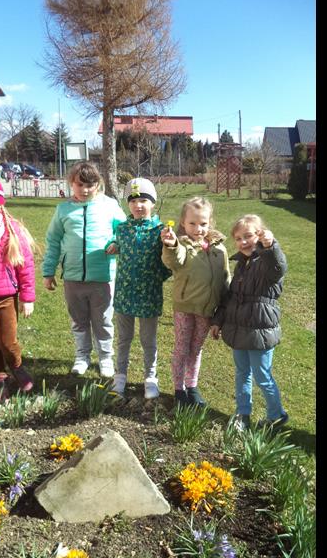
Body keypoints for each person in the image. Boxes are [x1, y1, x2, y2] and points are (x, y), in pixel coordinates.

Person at [42, 161, 127, 377]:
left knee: (103, 320)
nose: (85, 190)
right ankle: (82, 356)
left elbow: (124, 230)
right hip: (73, 278)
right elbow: (53, 241)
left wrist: (117, 243)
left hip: (102, 277)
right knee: (78, 320)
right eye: (80, 184)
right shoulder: (63, 210)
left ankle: (105, 357)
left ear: (98, 184)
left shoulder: (109, 206)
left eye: (90, 185)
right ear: (71, 183)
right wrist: (48, 272)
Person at [210, 214, 289, 430]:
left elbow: (278, 267)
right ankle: (242, 413)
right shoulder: (241, 265)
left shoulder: (266, 262)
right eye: (238, 238)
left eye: (248, 236)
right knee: (242, 373)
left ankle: (276, 415)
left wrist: (270, 246)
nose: (243, 242)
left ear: (260, 235)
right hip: (238, 329)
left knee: (262, 376)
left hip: (259, 331)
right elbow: (231, 296)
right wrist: (218, 321)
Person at [160, 197, 230, 405]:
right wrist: (171, 245)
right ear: (183, 222)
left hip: (207, 310)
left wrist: (223, 310)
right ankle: (178, 389)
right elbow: (174, 259)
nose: (198, 229)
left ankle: (191, 386)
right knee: (182, 348)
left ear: (210, 222)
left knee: (196, 349)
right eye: (192, 223)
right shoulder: (182, 244)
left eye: (203, 223)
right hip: (185, 307)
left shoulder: (219, 249)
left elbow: (225, 279)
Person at [107, 178, 172, 399]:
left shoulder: (160, 231)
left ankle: (150, 378)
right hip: (124, 294)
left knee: (148, 340)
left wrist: (159, 275)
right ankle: (120, 376)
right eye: (133, 201)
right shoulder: (122, 229)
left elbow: (169, 263)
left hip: (149, 295)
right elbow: (117, 243)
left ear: (153, 203)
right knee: (123, 339)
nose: (138, 205)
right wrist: (113, 245)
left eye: (144, 200)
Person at [0, 171, 37, 402]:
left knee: (7, 342)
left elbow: (26, 266)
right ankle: (0, 378)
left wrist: (27, 297)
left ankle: (17, 367)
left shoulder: (10, 231)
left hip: (5, 299)